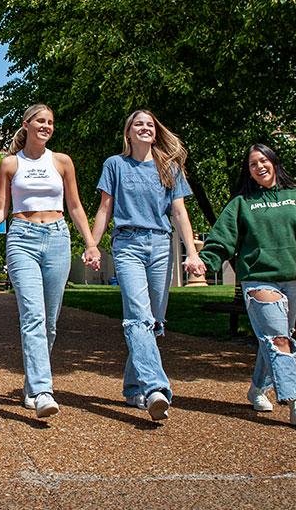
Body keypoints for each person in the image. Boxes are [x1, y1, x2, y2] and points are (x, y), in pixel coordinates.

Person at [0, 104, 100, 419]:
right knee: (32, 316)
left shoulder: (62, 162)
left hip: (57, 238)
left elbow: (75, 206)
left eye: (51, 122)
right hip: (22, 239)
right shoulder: (10, 164)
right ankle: (44, 390)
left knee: (50, 323)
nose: (46, 126)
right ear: (26, 124)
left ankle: (33, 384)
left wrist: (91, 242)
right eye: (41, 121)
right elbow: (2, 207)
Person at [198, 143, 296, 427]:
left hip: (295, 280)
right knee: (279, 339)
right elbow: (221, 239)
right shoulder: (241, 204)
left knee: (276, 337)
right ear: (247, 171)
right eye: (252, 164)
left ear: (274, 162)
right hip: (258, 280)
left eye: (263, 160)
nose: (259, 166)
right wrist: (205, 262)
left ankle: (258, 388)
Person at [90, 110, 203, 422]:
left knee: (153, 322)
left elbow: (179, 212)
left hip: (161, 245)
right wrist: (92, 244)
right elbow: (105, 208)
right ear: (128, 132)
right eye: (138, 124)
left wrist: (191, 252)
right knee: (139, 317)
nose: (145, 128)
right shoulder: (115, 165)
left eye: (149, 125)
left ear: (156, 131)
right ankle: (156, 388)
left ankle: (131, 387)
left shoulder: (169, 166)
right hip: (127, 244)